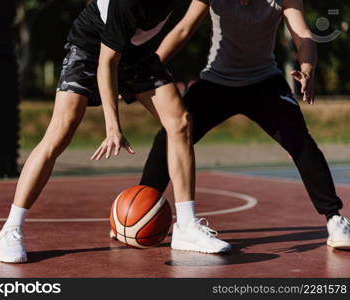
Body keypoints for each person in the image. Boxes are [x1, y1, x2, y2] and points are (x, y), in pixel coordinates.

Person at [0, 0, 232, 264]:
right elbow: (106, 63)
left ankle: (186, 227)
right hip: (90, 47)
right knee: (61, 131)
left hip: (136, 51)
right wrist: (113, 128)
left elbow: (187, 26)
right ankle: (11, 228)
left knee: (180, 122)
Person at [139, 0, 350, 250]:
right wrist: (144, 73)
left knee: (301, 142)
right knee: (169, 136)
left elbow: (303, 35)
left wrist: (307, 69)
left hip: (264, 83)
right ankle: (139, 210)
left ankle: (335, 220)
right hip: (217, 82)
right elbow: (184, 29)